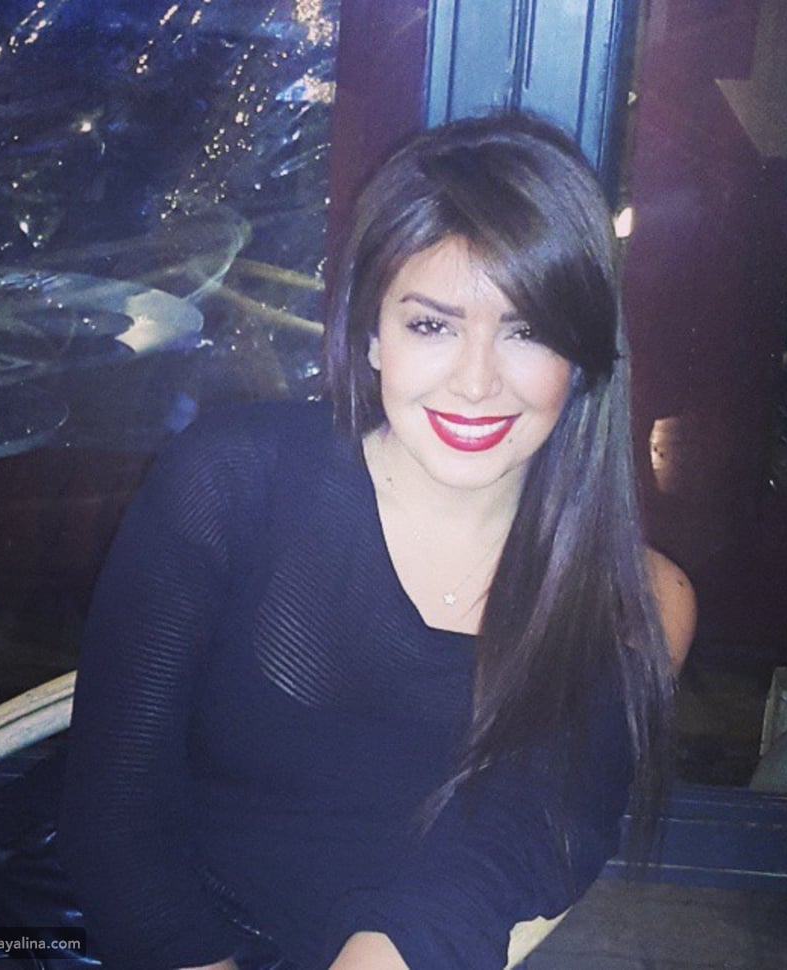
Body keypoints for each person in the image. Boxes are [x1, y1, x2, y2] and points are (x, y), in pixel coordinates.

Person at [57, 112, 696, 970]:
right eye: (432, 325)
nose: (476, 383)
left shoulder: (633, 599)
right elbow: (118, 805)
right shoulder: (233, 480)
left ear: (580, 357)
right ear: (371, 335)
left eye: (526, 330)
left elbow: (514, 843)